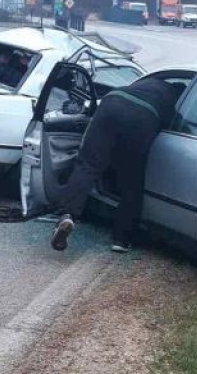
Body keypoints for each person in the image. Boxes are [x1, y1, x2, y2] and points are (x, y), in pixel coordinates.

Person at [50, 77, 181, 253]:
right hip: (143, 116)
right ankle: (122, 239)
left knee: (87, 165)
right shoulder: (174, 100)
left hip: (113, 100)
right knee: (132, 180)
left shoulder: (151, 82)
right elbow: (175, 125)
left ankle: (67, 215)